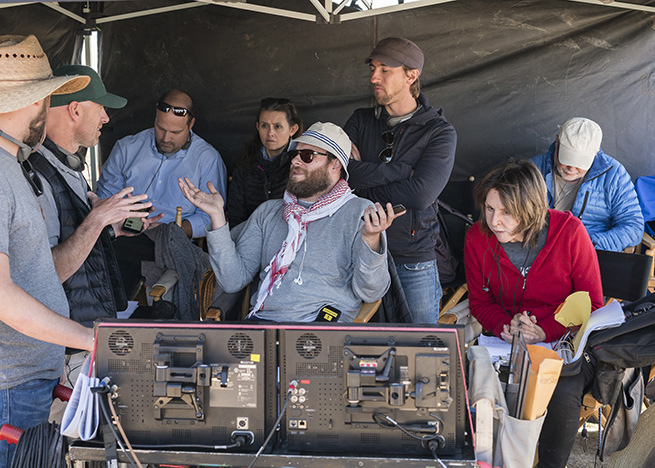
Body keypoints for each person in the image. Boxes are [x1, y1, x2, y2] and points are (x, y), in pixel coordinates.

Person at [0, 35, 94, 468]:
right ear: (35, 102)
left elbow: (28, 270)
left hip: (17, 381)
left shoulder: (1, 161)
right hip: (2, 388)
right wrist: (90, 340)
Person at [179, 122, 400, 322]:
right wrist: (217, 216)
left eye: (307, 155)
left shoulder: (359, 212)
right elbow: (232, 280)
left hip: (322, 328)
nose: (294, 160)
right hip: (263, 324)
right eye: (294, 154)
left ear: (335, 165)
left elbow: (371, 293)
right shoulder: (269, 212)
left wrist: (371, 240)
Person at [30, 64, 161, 327]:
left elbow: (74, 243)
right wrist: (98, 219)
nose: (106, 118)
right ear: (75, 110)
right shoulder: (36, 175)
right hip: (62, 341)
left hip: (81, 330)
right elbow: (46, 273)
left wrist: (111, 229)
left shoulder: (67, 166)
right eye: (101, 108)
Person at [344, 37, 457, 324]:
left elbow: (421, 194)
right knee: (356, 348)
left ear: (411, 75)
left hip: (413, 258)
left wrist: (363, 173)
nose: (373, 77)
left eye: (384, 70)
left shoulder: (439, 132)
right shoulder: (360, 120)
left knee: (418, 350)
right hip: (358, 251)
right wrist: (402, 171)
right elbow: (344, 177)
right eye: (373, 68)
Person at [464, 158, 603, 344]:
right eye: (490, 208)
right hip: (505, 343)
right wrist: (506, 327)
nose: (493, 221)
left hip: (562, 342)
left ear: (531, 209)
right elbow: (480, 302)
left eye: (506, 212)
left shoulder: (570, 232)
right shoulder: (477, 237)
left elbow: (591, 304)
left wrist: (545, 331)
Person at [96, 89, 227, 237]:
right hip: (122, 232)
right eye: (160, 128)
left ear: (191, 124)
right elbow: (105, 197)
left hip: (175, 240)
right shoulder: (126, 148)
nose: (165, 138)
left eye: (175, 132)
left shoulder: (207, 159)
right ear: (155, 118)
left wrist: (172, 231)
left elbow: (210, 217)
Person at [530, 117, 643, 252]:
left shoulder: (614, 175)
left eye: (580, 163)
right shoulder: (533, 169)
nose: (571, 169)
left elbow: (633, 226)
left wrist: (591, 244)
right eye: (567, 159)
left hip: (591, 254)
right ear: (557, 141)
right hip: (541, 252)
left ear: (595, 154)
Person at [226, 97, 302, 228]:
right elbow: (235, 215)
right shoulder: (245, 163)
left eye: (278, 127)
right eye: (264, 126)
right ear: (257, 127)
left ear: (293, 129)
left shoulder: (301, 164)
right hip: (248, 236)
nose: (270, 133)